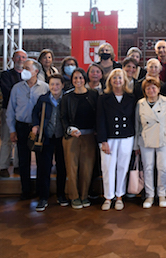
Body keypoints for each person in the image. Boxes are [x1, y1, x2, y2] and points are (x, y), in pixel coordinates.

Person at [7, 59, 49, 200]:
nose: (24, 70)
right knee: (23, 160)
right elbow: (11, 111)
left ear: (36, 71)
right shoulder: (17, 88)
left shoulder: (45, 88)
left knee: (41, 160)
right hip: (22, 126)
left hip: (39, 128)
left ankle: (40, 190)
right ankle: (25, 190)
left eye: (27, 68)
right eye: (23, 68)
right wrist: (12, 130)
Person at [96, 68, 136, 211]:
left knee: (122, 167)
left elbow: (133, 119)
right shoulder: (103, 98)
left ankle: (119, 196)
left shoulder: (131, 97)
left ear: (124, 80)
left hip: (126, 136)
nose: (117, 81)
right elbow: (100, 120)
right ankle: (108, 196)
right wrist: (103, 140)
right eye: (114, 78)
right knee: (107, 168)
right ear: (110, 81)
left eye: (120, 78)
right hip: (110, 137)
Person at [135, 78, 166, 209]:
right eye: (148, 88)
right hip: (145, 139)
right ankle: (149, 195)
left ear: (159, 89)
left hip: (163, 139)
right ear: (144, 90)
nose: (151, 90)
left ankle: (162, 194)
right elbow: (137, 125)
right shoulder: (140, 103)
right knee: (147, 168)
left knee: (163, 167)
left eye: (154, 87)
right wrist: (136, 145)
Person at [60, 68, 99, 209]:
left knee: (87, 168)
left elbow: (98, 116)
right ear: (72, 80)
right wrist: (69, 130)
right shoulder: (67, 97)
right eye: (75, 78)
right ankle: (74, 197)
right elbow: (63, 117)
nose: (78, 81)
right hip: (72, 137)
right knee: (72, 168)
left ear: (85, 79)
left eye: (80, 78)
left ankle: (84, 196)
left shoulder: (94, 95)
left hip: (89, 136)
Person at [31, 73, 67, 211]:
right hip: (46, 137)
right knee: (44, 168)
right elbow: (35, 114)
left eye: (57, 84)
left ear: (62, 85)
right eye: (52, 84)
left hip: (62, 137)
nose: (55, 87)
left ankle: (61, 195)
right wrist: (35, 125)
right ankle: (43, 197)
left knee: (62, 168)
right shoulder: (43, 99)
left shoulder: (66, 98)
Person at [0, 49, 27, 176]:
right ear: (12, 59)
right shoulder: (6, 75)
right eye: (18, 57)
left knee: (21, 140)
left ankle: (18, 165)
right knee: (7, 139)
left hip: (23, 111)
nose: (20, 60)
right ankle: (3, 166)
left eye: (23, 57)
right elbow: (7, 92)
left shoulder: (28, 75)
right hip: (8, 110)